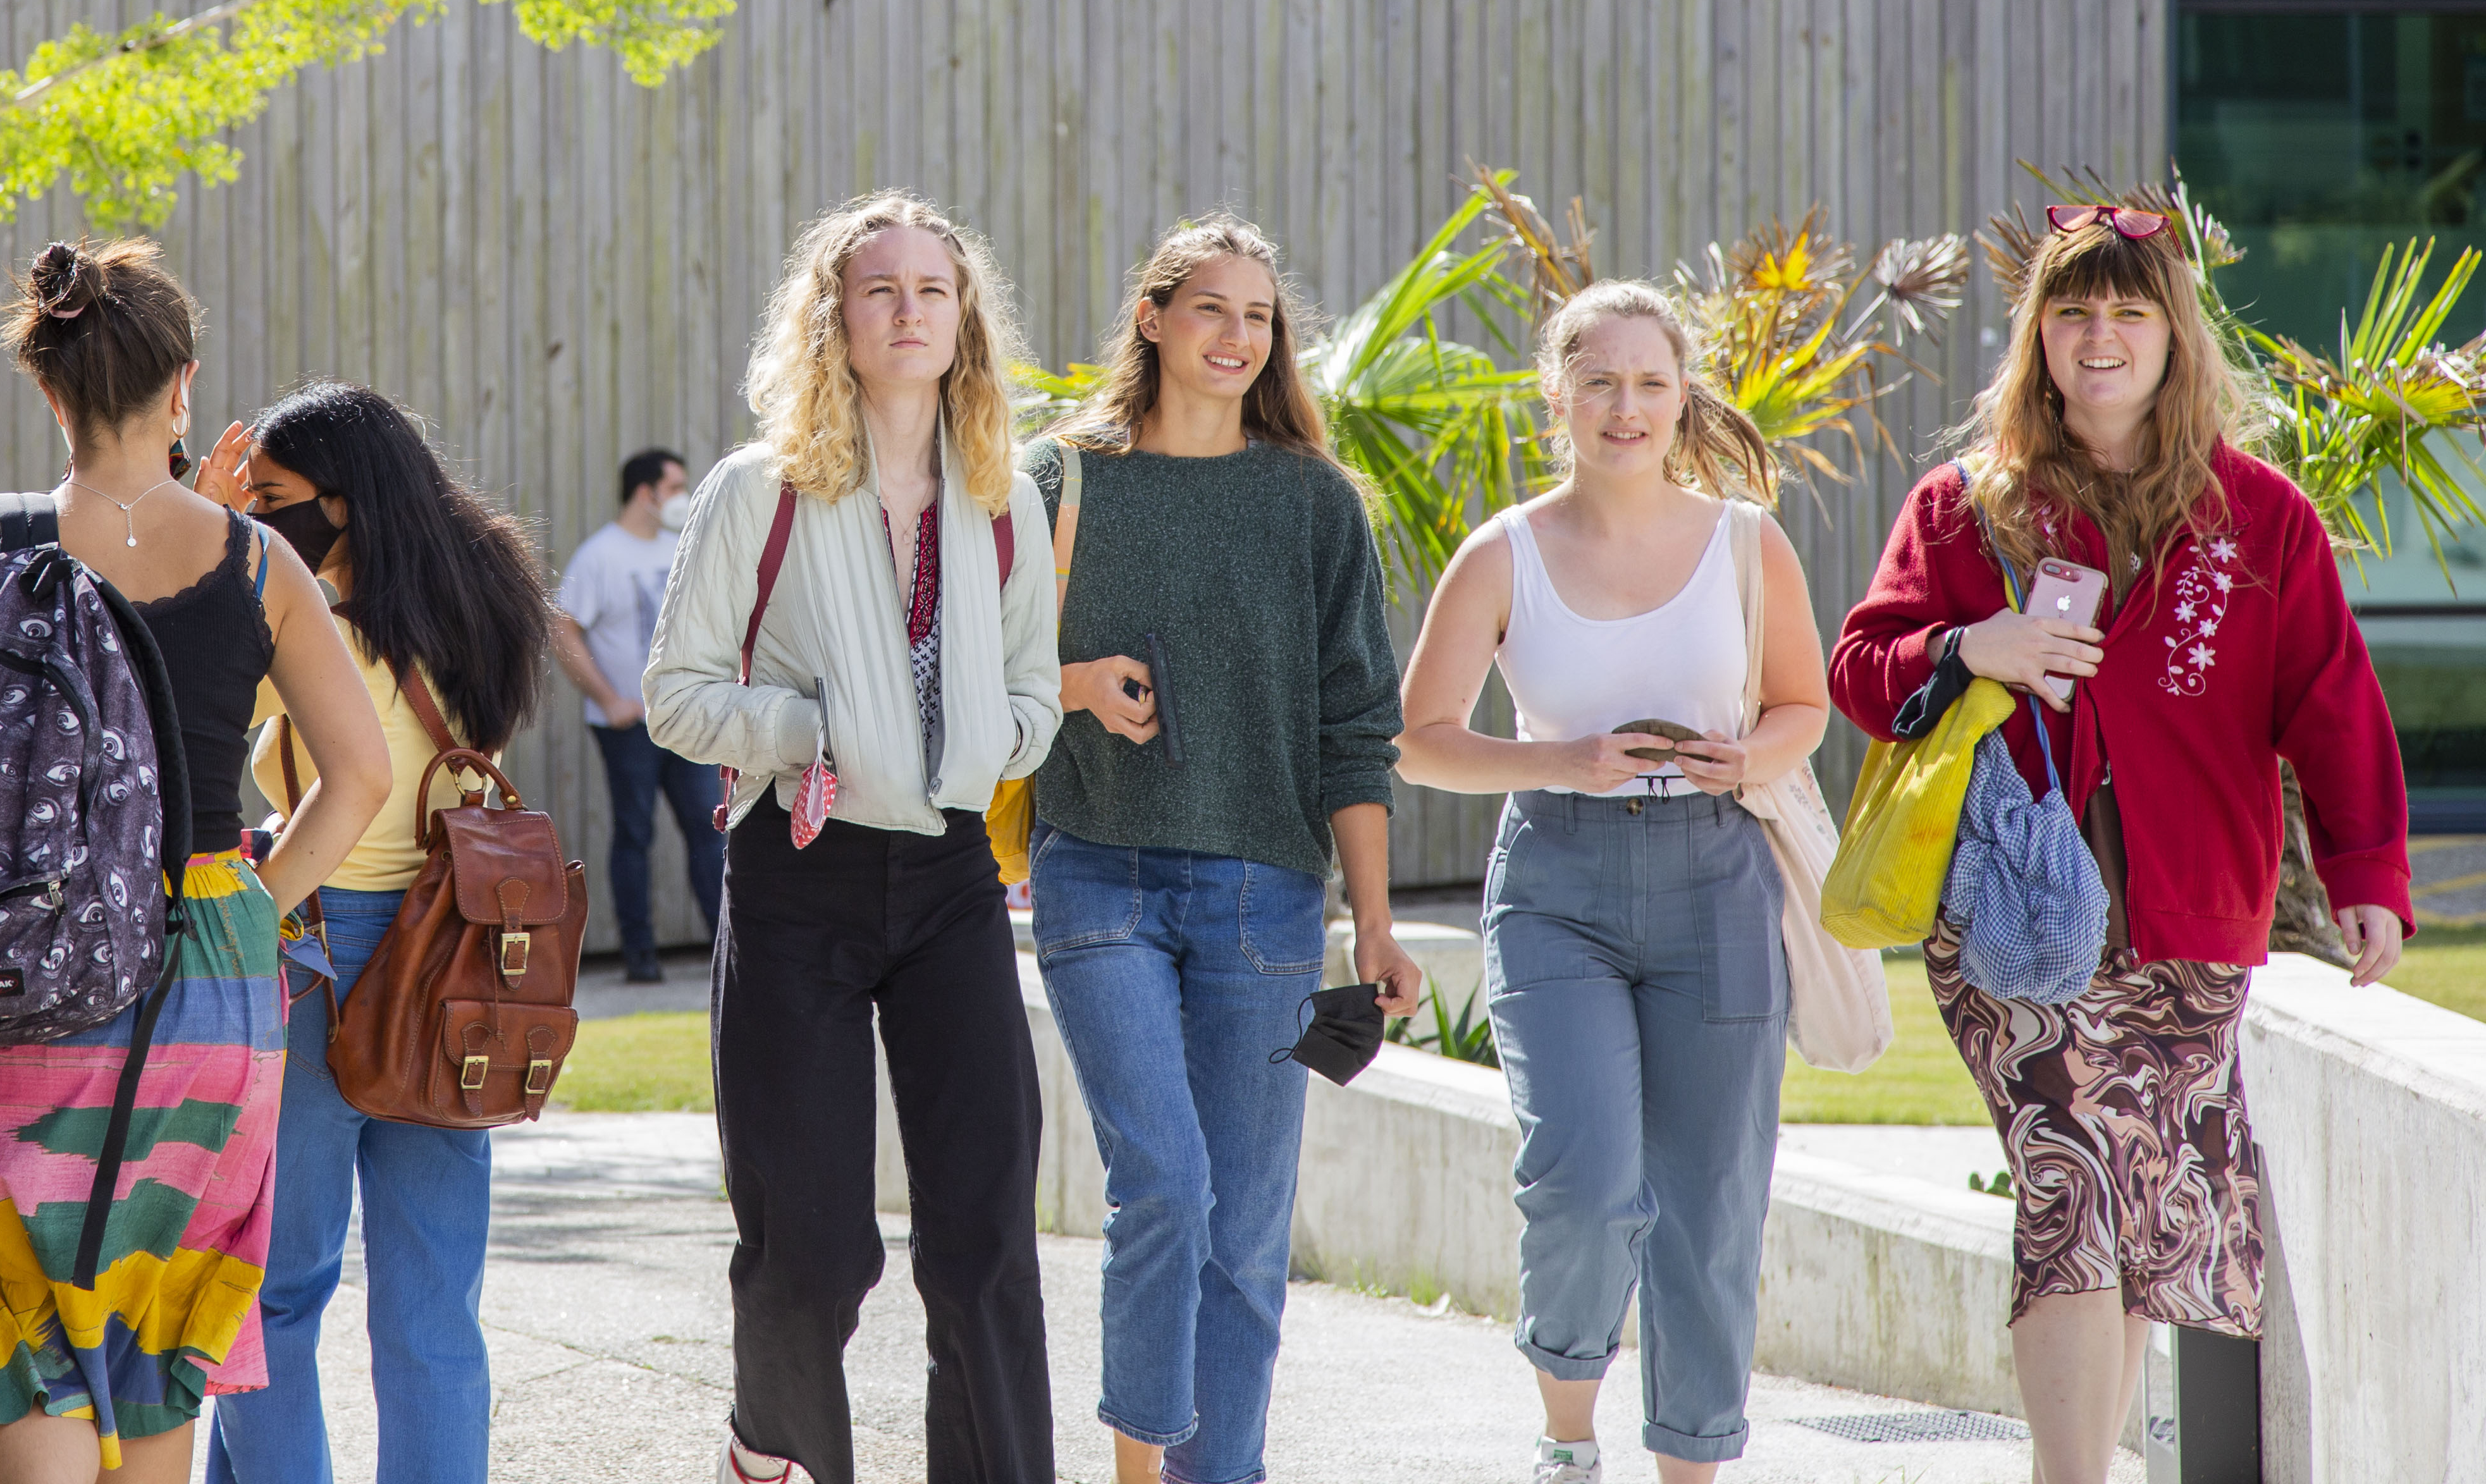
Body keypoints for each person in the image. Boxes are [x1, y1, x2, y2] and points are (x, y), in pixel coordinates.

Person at [1830, 206, 2412, 1484]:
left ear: (2172, 338)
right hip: (2010, 932)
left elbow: (2332, 703)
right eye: (2074, 311)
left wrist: (2368, 877)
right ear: (2039, 335)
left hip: (2191, 923)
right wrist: (1967, 647)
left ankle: (2078, 1466)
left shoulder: (2261, 520)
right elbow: (1861, 671)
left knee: (2131, 1210)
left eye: (2129, 313)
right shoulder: (1965, 507)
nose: (2101, 336)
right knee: (2074, 1196)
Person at [0, 240, 392, 1482]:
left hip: (12, 965)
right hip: (203, 959)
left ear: (50, 393)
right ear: (184, 387)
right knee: (163, 1317)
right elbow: (357, 776)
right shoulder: (260, 566)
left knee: (16, 1300)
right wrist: (256, 905)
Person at [646, 190, 1063, 1484]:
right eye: (880, 289)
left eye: (932, 290)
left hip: (951, 880)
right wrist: (807, 730)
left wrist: (986, 746)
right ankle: (776, 1454)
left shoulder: (1001, 496)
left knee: (985, 1240)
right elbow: (674, 697)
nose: (909, 311)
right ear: (835, 316)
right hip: (800, 881)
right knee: (814, 1245)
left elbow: (1040, 692)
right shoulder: (756, 493)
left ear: (963, 318)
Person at [1397, 280, 1831, 1484]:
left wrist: (1751, 755)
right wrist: (1562, 760)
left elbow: (1805, 703)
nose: (1624, 405)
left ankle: (1690, 1461)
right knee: (1580, 1179)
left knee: (1712, 1198)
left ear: (1680, 392)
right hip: (1555, 883)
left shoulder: (1746, 539)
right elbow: (1422, 735)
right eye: (1598, 380)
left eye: (1648, 381)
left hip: (1716, 876)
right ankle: (1568, 1437)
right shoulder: (1503, 552)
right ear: (1558, 396)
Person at [1021, 216, 1424, 1484]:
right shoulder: (1057, 479)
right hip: (1095, 871)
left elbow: (1356, 727)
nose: (1238, 336)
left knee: (1244, 1232)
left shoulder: (1311, 501)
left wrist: (1375, 921)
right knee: (1167, 1186)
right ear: (1152, 318)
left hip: (1265, 893)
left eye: (1259, 317)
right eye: (1212, 309)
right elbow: (979, 666)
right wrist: (1076, 683)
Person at [202, 379, 563, 1484]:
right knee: (432, 1303)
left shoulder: (310, 629)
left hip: (315, 948)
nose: (263, 518)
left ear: (344, 505)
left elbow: (171, 655)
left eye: (277, 498)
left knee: (275, 1291)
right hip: (454, 961)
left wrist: (209, 526)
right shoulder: (483, 596)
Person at [553, 446, 723, 983]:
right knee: (635, 834)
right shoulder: (600, 555)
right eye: (675, 488)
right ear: (645, 493)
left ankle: (728, 952)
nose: (683, 498)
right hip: (627, 730)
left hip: (686, 723)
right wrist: (608, 700)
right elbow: (562, 627)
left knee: (708, 827)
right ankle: (641, 959)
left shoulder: (680, 548)